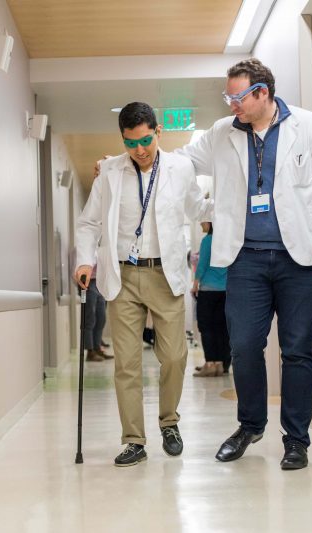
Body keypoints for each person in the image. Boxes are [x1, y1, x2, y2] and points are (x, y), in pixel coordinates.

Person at [178, 58, 312, 470]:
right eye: (228, 96)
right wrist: (127, 160)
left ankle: (296, 440)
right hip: (245, 259)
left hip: (300, 259)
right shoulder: (222, 133)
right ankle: (250, 424)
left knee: (296, 351)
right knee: (243, 347)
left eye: (237, 97)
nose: (231, 104)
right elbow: (182, 161)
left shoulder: (306, 125)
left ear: (263, 93)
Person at [75, 102, 212, 467]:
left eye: (146, 140)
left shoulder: (181, 168)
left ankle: (169, 422)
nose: (139, 149)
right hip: (123, 275)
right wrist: (85, 260)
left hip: (165, 274)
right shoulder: (108, 171)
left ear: (158, 132)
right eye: (131, 143)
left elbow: (199, 209)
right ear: (122, 139)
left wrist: (232, 202)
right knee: (127, 363)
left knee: (173, 356)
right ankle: (134, 439)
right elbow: (88, 223)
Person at [191, 222, 231, 377]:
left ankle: (211, 363)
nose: (201, 223)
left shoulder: (208, 240)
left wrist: (195, 284)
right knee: (222, 328)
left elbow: (202, 264)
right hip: (226, 290)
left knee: (207, 328)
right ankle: (221, 364)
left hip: (208, 290)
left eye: (203, 220)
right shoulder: (227, 238)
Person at [82, 263, 112, 362]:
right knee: (90, 319)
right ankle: (90, 351)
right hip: (89, 282)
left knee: (101, 318)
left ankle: (97, 347)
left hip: (100, 283)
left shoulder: (100, 248)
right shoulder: (82, 249)